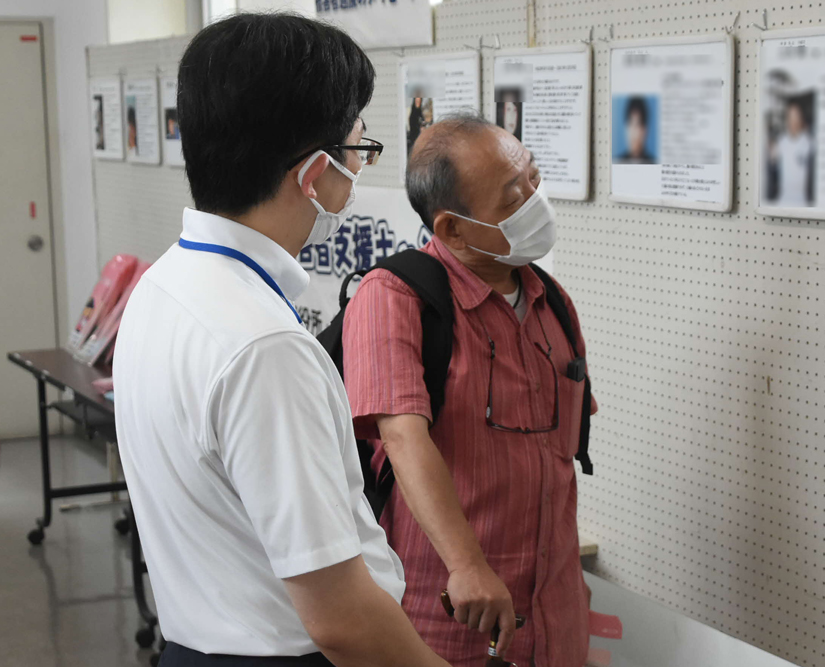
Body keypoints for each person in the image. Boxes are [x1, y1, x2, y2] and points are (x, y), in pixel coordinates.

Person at [114, 14, 452, 667]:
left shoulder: (164, 284)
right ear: (314, 174)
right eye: (358, 150)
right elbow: (343, 618)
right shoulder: (265, 347)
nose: (357, 173)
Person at [342, 113, 596, 667]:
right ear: (452, 229)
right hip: (448, 621)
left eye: (533, 178)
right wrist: (467, 565)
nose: (535, 200)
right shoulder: (394, 298)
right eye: (512, 197)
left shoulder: (552, 301)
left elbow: (558, 458)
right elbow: (404, 439)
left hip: (556, 622)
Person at [770, 100, 814, 207]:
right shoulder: (781, 141)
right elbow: (772, 159)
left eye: (796, 116)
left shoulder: (809, 142)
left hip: (802, 202)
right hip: (783, 201)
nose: (793, 120)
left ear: (801, 118)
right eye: (790, 116)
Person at [616, 96, 655, 164]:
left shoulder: (654, 163)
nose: (633, 132)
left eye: (637, 124)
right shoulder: (618, 162)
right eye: (630, 124)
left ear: (645, 130)